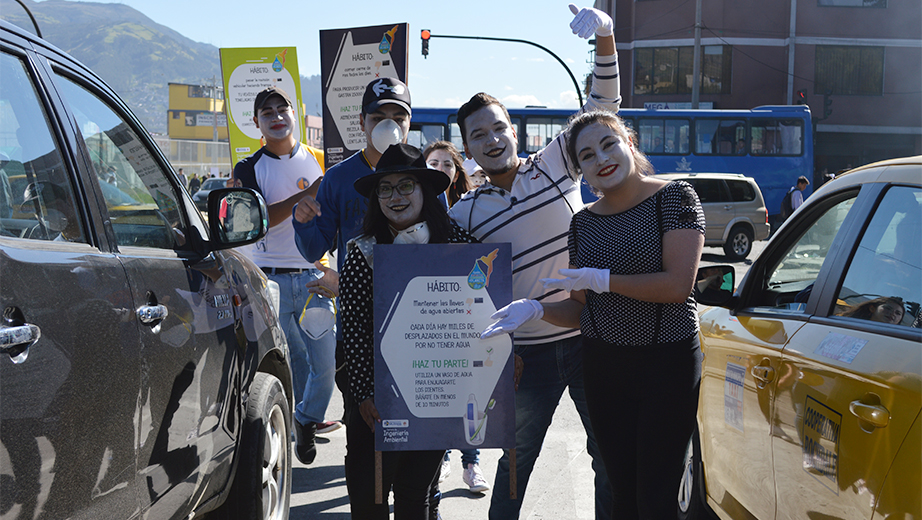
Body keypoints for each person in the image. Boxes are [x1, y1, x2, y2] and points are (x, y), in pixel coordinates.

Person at [482, 109, 706, 519]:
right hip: (604, 367)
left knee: (655, 496)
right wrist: (534, 310)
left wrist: (606, 280)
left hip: (667, 362)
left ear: (629, 143)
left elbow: (678, 286)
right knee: (620, 491)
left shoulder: (676, 196)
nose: (601, 158)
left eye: (608, 144)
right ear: (580, 169)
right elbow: (582, 309)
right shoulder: (583, 222)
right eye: (586, 155)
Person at [447, 4, 620, 519]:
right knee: (516, 464)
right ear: (468, 149)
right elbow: (440, 272)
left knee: (607, 458)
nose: (492, 139)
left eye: (498, 128)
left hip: (592, 336)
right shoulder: (465, 212)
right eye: (478, 135)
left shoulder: (555, 165)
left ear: (514, 130)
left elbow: (603, 109)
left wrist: (606, 39)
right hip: (526, 356)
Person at [340, 143, 476, 519]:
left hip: (432, 395)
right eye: (386, 188)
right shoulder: (363, 252)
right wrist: (366, 392)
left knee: (417, 494)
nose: (395, 197)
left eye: (405, 186)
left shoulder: (459, 244)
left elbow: (485, 310)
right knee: (371, 495)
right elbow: (353, 328)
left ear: (424, 190)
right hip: (377, 399)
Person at [232, 86, 339, 466]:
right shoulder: (247, 168)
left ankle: (306, 421)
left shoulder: (323, 161)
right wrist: (306, 195)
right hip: (269, 281)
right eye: (267, 112)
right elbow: (257, 223)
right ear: (257, 123)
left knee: (324, 364)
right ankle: (291, 430)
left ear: (295, 115)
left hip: (314, 278)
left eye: (283, 109)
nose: (277, 116)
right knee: (291, 364)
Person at [421, 140, 489, 494]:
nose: (440, 168)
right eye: (433, 162)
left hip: (468, 312)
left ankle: (472, 462)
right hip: (431, 314)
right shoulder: (416, 207)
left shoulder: (469, 207)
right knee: (439, 391)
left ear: (457, 171)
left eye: (447, 164)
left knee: (469, 390)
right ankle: (443, 457)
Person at [423, 141, 473, 208]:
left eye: (447, 165)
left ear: (456, 176)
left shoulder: (467, 207)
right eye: (433, 164)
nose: (440, 169)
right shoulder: (415, 206)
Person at [839, 296, 905, 325]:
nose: (892, 313)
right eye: (887, 308)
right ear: (872, 309)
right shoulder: (848, 324)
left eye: (898, 313)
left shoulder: (899, 339)